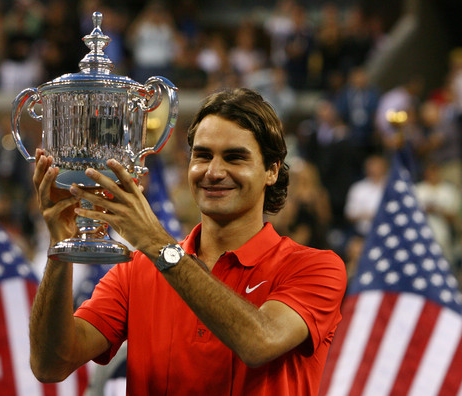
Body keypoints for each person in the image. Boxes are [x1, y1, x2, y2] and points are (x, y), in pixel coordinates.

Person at [29, 88, 347, 395]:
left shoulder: (316, 268)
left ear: (271, 171)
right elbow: (50, 365)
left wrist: (157, 246)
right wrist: (61, 248)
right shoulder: (135, 272)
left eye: (235, 158)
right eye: (203, 155)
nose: (214, 171)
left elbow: (260, 341)